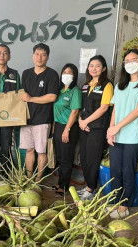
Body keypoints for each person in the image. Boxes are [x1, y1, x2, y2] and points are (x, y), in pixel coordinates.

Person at [106, 49, 138, 219]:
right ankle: (114, 201)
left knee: (128, 171)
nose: (130, 63)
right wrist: (111, 130)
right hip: (117, 135)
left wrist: (117, 127)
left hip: (134, 136)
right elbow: (115, 109)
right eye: (126, 61)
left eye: (134, 59)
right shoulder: (120, 84)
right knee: (115, 171)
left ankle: (124, 205)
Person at [20, 43, 60, 181]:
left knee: (41, 151)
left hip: (42, 120)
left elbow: (52, 97)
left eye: (43, 55)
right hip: (26, 119)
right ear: (33, 56)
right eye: (37, 54)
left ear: (47, 57)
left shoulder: (52, 74)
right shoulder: (25, 74)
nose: (39, 57)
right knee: (29, 150)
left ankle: (38, 181)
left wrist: (31, 98)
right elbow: (21, 95)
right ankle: (29, 178)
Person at [77, 55, 114, 200]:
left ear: (104, 68)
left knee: (93, 158)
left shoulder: (107, 85)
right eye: (91, 65)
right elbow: (81, 105)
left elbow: (104, 108)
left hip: (97, 128)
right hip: (84, 127)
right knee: (84, 158)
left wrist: (86, 122)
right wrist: (81, 121)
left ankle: (91, 189)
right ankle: (88, 185)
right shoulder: (86, 85)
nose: (94, 68)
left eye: (98, 65)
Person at [52, 64, 82, 196]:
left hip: (69, 128)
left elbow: (75, 111)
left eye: (70, 72)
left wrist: (66, 129)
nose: (66, 74)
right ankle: (60, 183)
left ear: (74, 75)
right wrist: (54, 126)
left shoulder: (75, 91)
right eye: (64, 72)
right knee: (59, 156)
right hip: (58, 126)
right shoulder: (59, 90)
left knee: (66, 159)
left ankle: (64, 186)